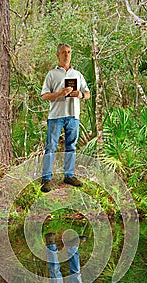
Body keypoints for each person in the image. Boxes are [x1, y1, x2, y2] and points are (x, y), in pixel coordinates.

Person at [40, 44, 91, 193]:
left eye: (69, 52)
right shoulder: (51, 74)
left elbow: (87, 93)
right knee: (51, 147)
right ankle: (46, 179)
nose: (66, 55)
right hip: (56, 116)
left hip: (73, 116)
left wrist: (80, 95)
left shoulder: (77, 74)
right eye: (63, 52)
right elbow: (44, 96)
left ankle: (69, 175)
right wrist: (59, 93)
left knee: (71, 146)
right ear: (58, 55)